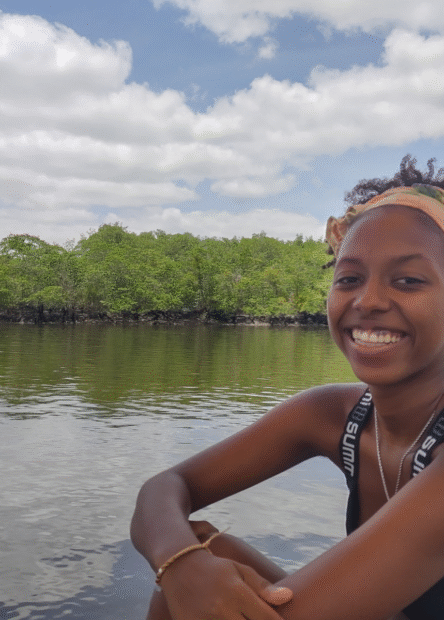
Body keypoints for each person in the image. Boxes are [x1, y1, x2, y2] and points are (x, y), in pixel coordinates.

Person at [130, 155, 444, 620]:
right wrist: (179, 563)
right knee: (203, 561)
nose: (369, 300)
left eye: (409, 280)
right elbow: (164, 488)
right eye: (349, 278)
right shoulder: (334, 414)